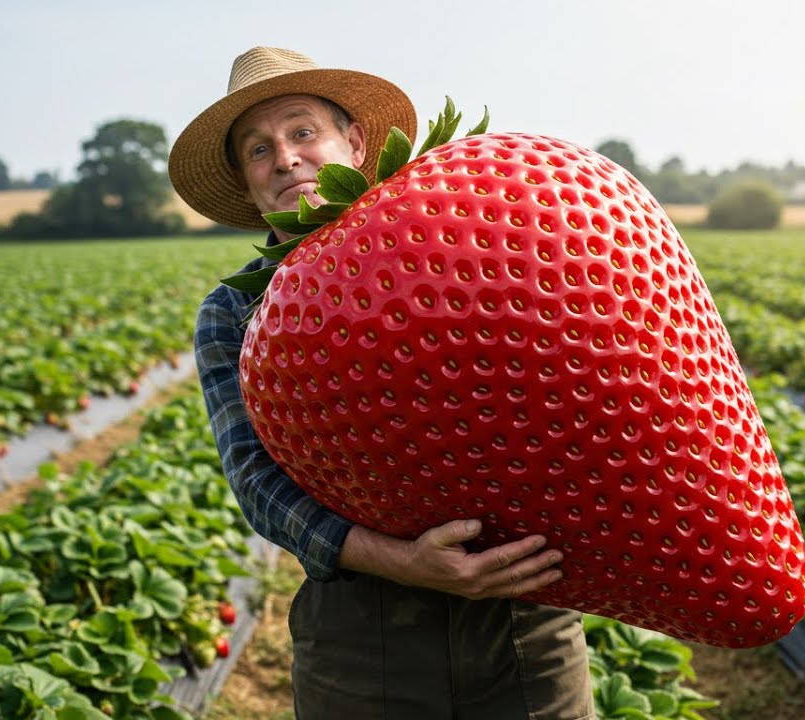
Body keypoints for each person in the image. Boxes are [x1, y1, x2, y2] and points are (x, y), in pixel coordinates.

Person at [169, 46, 593, 718]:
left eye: (303, 131)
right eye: (258, 149)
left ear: (355, 142)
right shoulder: (234, 313)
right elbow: (257, 485)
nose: (284, 158)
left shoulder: (462, 247)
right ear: (248, 182)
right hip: (361, 637)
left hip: (524, 614)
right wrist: (405, 561)